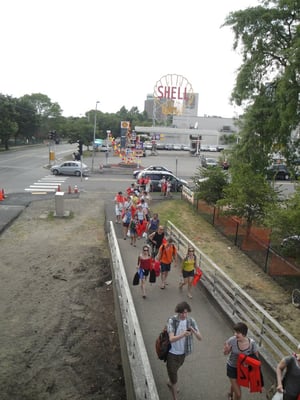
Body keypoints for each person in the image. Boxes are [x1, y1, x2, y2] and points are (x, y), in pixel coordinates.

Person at [166, 301, 202, 400]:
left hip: (183, 354)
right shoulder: (172, 320)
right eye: (182, 313)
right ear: (178, 312)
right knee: (174, 377)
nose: (184, 315)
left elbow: (200, 338)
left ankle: (170, 381)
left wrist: (193, 330)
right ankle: (175, 396)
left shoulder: (191, 321)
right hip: (171, 353)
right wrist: (183, 334)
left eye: (186, 312)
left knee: (175, 370)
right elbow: (171, 339)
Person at [223, 322, 260, 400]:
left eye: (238, 333)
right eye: (235, 332)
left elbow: (256, 357)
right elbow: (225, 353)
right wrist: (226, 350)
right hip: (232, 367)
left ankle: (230, 393)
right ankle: (231, 395)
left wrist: (249, 364)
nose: (235, 334)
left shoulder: (252, 343)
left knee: (235, 384)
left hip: (242, 370)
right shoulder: (232, 340)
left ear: (244, 334)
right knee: (239, 394)